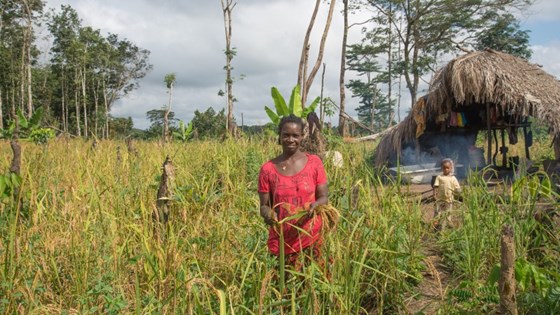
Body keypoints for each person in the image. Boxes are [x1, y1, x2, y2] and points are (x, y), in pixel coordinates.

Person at [258, 114, 329, 271]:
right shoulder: (267, 169)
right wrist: (268, 214)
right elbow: (263, 206)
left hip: (311, 237)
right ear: (280, 136)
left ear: (302, 137)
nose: (290, 140)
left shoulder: (314, 163)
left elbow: (324, 197)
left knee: (312, 284)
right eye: (286, 135)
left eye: (295, 135)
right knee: (283, 287)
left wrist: (315, 205)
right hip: (282, 239)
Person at [432, 158, 461, 229]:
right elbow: (435, 186)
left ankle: (449, 224)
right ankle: (435, 225)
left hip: (449, 200)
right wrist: (434, 194)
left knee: (448, 213)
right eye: (444, 168)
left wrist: (459, 195)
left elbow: (457, 188)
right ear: (442, 168)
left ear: (451, 168)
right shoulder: (439, 177)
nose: (446, 169)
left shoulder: (453, 178)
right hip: (440, 199)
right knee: (438, 212)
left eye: (448, 168)